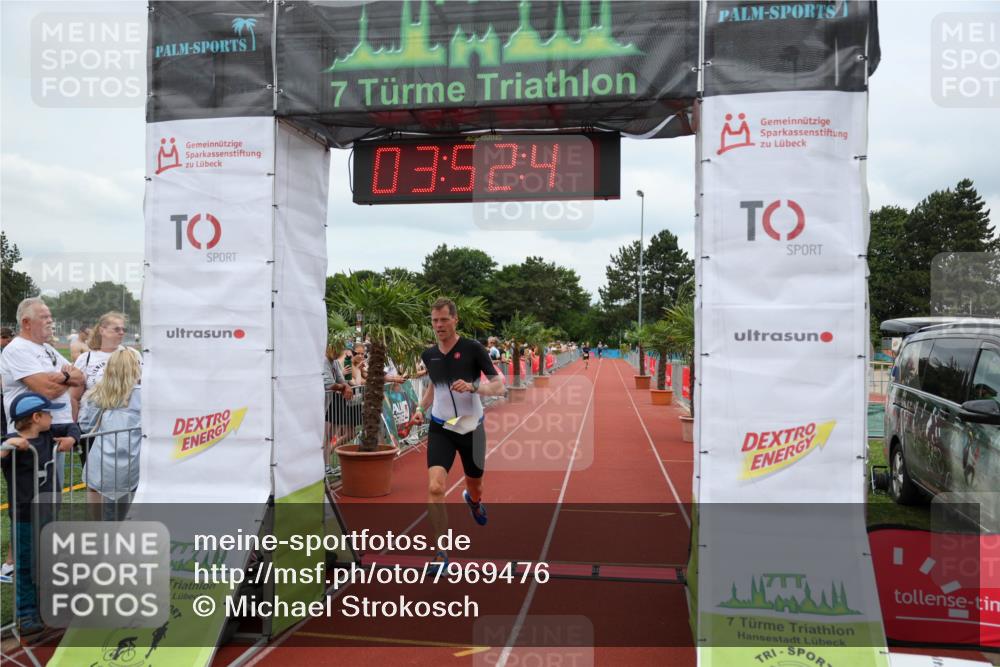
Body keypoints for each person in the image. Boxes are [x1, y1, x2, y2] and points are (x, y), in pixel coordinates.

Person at [412, 298, 505, 570]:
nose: (438, 325)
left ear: (455, 320)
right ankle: (441, 553)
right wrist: (420, 408)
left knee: (474, 485)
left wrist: (475, 387)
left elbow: (499, 386)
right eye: (434, 320)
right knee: (435, 487)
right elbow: (433, 387)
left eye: (443, 319)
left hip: (470, 427)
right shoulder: (429, 355)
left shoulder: (473, 349)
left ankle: (474, 502)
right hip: (441, 426)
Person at [1, 392, 80, 636]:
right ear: (36, 417)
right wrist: (7, 445)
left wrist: (71, 439)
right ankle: (26, 615)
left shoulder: (47, 434)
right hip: (25, 516)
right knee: (26, 564)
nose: (52, 417)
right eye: (48, 413)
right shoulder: (12, 443)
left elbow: (72, 426)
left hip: (48, 512)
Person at [0, 298, 84, 493]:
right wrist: (66, 377)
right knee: (32, 501)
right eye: (44, 317)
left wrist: (61, 377)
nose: (50, 321)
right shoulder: (17, 349)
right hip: (29, 436)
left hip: (55, 431)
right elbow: (46, 390)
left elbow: (80, 377)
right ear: (26, 323)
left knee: (52, 497)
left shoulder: (48, 348)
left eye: (50, 317)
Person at [79, 349, 142, 514]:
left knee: (97, 494)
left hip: (101, 455)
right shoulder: (145, 395)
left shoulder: (98, 393)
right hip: (134, 457)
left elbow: (86, 425)